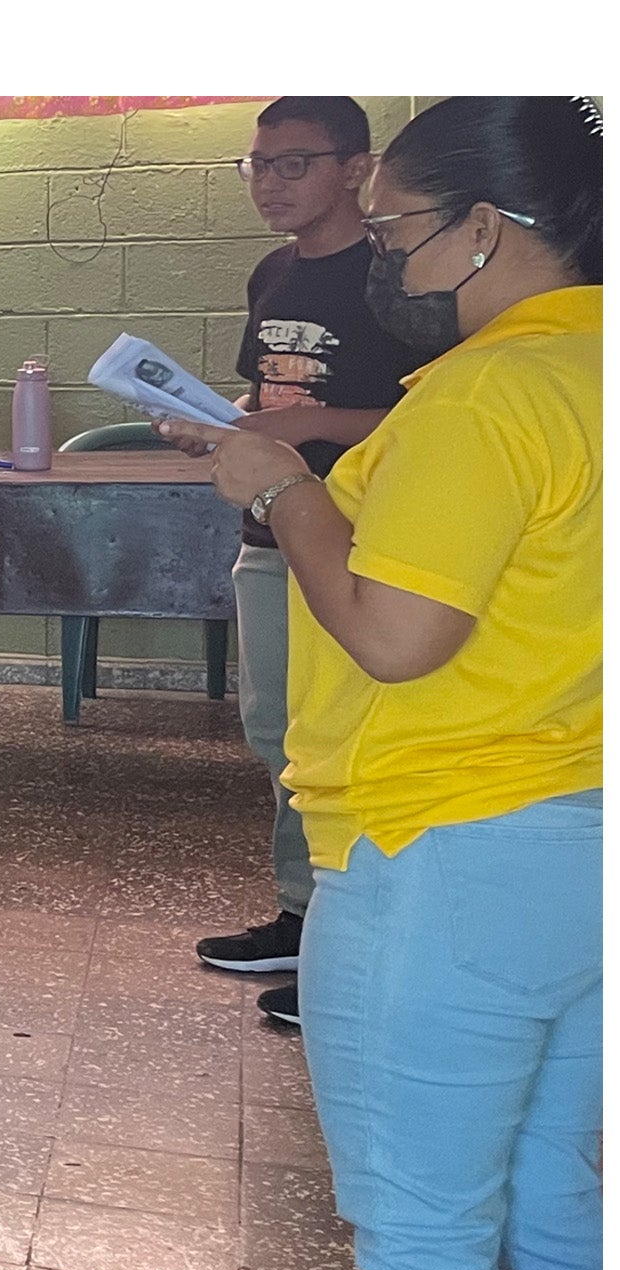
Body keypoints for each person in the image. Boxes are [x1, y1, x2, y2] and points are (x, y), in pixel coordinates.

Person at [157, 95, 601, 1270]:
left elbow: (397, 636)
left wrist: (281, 488)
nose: (392, 263)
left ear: (485, 230)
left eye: (405, 232)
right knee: (552, 1185)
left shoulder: (489, 392)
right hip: (583, 833)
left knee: (422, 1248)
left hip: (443, 852)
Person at [157, 98, 424, 1028]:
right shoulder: (273, 271)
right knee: (281, 738)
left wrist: (305, 427)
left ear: (356, 168)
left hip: (366, 539)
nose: (270, 183)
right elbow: (274, 389)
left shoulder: (403, 277)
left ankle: (351, 953)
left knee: (351, 743)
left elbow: (431, 418)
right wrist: (219, 420)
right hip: (269, 533)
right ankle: (302, 917)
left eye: (294, 164)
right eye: (258, 165)